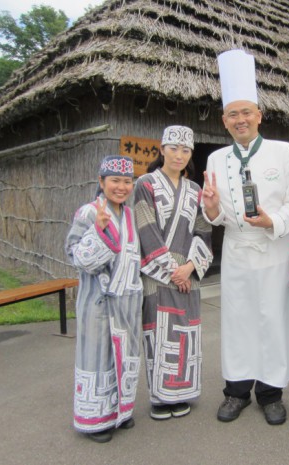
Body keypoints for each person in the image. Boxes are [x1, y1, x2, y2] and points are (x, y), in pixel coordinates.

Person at [202, 49, 289, 425]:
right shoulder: (216, 159)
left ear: (259, 116)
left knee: (272, 319)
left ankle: (270, 394)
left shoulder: (283, 152)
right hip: (235, 251)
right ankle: (236, 391)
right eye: (233, 114)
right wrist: (211, 207)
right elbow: (213, 216)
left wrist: (272, 222)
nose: (241, 119)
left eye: (247, 112)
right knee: (237, 320)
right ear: (225, 121)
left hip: (274, 250)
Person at [134, 125, 213, 421]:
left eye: (185, 150)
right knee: (157, 332)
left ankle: (182, 392)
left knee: (185, 331)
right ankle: (159, 396)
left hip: (188, 276)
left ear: (191, 154)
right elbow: (145, 229)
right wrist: (172, 271)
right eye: (174, 148)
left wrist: (190, 267)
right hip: (157, 276)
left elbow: (203, 233)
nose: (179, 155)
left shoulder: (196, 191)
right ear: (162, 149)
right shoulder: (145, 184)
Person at [65, 155, 142, 443]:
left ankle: (120, 411)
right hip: (98, 301)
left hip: (127, 302)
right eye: (115, 181)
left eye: (127, 181)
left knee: (123, 358)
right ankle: (95, 420)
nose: (121, 187)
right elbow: (75, 254)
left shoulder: (131, 215)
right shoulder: (87, 212)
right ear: (101, 182)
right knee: (97, 360)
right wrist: (98, 231)